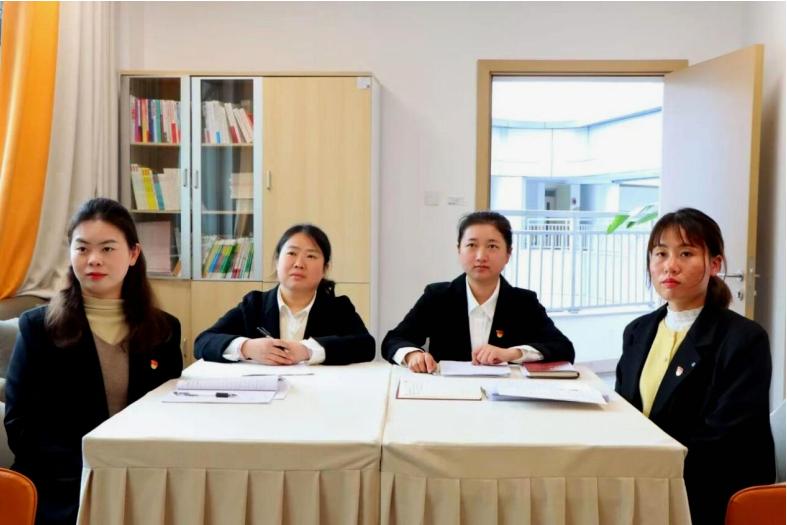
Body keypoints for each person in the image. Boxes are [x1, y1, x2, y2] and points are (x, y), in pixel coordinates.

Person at [4, 198, 183, 525]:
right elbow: (20, 424)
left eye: (108, 249)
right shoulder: (38, 328)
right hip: (61, 487)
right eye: (82, 248)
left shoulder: (164, 329)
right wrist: (95, 464)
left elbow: (170, 415)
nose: (93, 259)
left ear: (133, 254)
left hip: (142, 481)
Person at [615, 208, 775, 525]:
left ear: (714, 264)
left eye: (686, 253)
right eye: (661, 253)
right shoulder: (638, 331)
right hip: (645, 478)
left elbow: (725, 439)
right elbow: (626, 411)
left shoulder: (743, 338)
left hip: (708, 489)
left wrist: (649, 466)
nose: (670, 265)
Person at [382, 211, 574, 373]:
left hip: (505, 398)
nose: (481, 256)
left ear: (508, 254)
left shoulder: (523, 302)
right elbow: (394, 339)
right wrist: (412, 354)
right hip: (449, 395)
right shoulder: (438, 297)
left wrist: (511, 353)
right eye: (472, 245)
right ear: (459, 250)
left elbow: (563, 348)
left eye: (492, 246)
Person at [194, 224, 374, 365]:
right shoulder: (255, 304)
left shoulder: (337, 308)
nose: (299, 264)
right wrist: (247, 347)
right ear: (277, 261)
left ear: (324, 269)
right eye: (292, 253)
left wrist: (307, 350)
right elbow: (203, 342)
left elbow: (366, 346)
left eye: (311, 256)